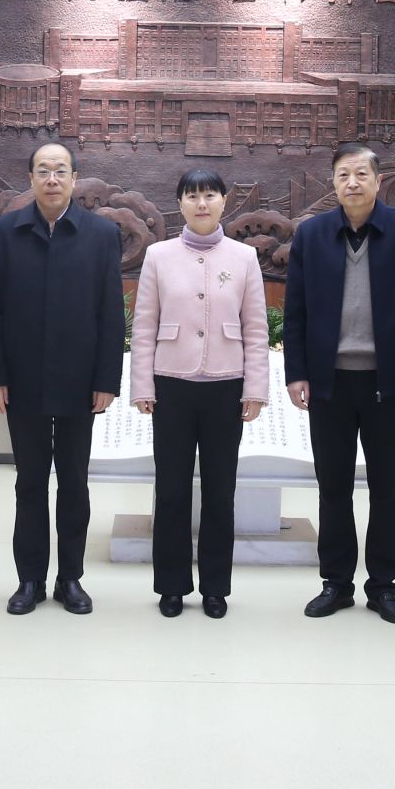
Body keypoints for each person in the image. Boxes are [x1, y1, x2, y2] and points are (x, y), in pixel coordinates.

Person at [282, 142, 395, 624]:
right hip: (328, 382)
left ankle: (383, 587)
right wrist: (297, 372)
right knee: (333, 487)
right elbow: (295, 309)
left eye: (361, 174)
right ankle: (336, 583)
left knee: (388, 488)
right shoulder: (311, 235)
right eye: (344, 175)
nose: (352, 182)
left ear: (377, 180)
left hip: (386, 382)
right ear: (333, 182)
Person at [0, 142, 124, 616]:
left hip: (81, 383)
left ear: (75, 178)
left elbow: (111, 312)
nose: (52, 179)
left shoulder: (101, 234)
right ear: (31, 178)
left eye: (61, 170)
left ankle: (70, 578)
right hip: (22, 382)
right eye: (43, 170)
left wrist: (106, 379)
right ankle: (30, 579)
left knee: (74, 483)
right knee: (29, 482)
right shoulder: (6, 233)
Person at [130, 168, 270, 619]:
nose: (202, 203)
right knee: (171, 490)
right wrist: (142, 384)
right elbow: (144, 325)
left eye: (210, 195)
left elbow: (256, 328)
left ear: (224, 201)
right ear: (180, 204)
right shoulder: (158, 255)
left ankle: (215, 587)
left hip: (226, 387)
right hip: (171, 384)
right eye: (192, 196)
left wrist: (255, 388)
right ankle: (171, 586)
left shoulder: (244, 257)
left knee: (220, 491)